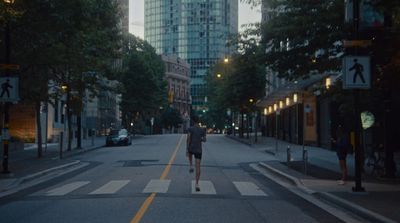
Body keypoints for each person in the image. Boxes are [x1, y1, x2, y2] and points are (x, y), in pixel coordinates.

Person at [186, 115, 206, 192]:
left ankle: (191, 165)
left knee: (190, 153)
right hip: (198, 149)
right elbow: (204, 140)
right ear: (199, 121)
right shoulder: (202, 130)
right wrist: (200, 139)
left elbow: (188, 139)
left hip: (191, 147)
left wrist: (187, 149)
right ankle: (197, 184)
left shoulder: (190, 129)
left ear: (193, 121)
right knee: (198, 166)